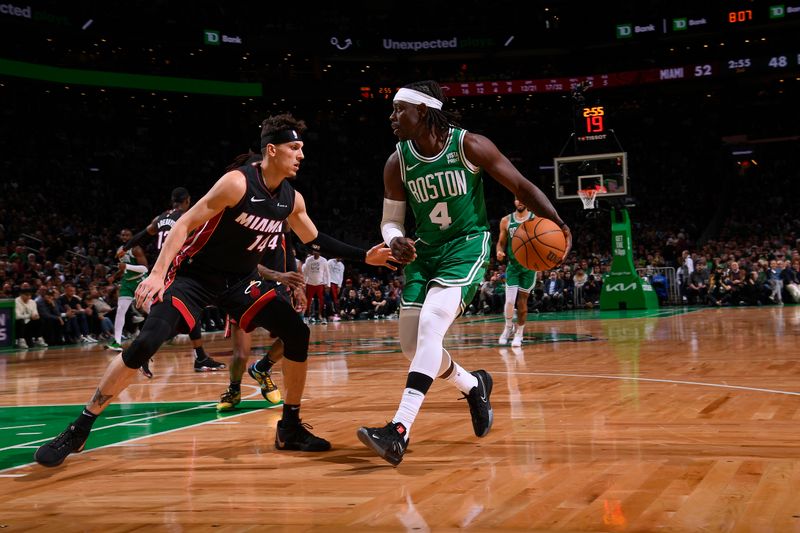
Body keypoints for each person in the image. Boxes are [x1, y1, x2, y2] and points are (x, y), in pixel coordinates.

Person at [34, 113, 396, 467]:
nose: (301, 155)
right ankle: (80, 427)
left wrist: (365, 255)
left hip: (240, 281)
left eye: (302, 148)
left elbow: (315, 240)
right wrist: (158, 274)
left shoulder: (292, 199)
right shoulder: (236, 183)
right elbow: (184, 224)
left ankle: (289, 428)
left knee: (296, 332)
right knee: (146, 342)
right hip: (195, 277)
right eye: (295, 147)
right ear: (272, 150)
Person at [357, 80, 571, 466]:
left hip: (466, 246)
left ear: (423, 111)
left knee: (430, 327)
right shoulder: (397, 161)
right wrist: (394, 240)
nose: (391, 117)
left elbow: (520, 183)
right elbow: (390, 221)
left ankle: (398, 430)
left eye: (398, 110)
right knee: (412, 345)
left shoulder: (469, 145)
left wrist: (557, 220)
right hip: (424, 254)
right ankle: (473, 385)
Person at [119, 187, 226, 375]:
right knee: (174, 317)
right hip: (178, 266)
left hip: (162, 266)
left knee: (190, 310)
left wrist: (124, 247)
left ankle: (199, 356)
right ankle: (143, 349)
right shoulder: (188, 216)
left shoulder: (160, 218)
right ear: (187, 201)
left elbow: (143, 235)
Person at [496, 198, 538, 347]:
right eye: (517, 198)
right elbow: (501, 242)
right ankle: (508, 327)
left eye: (523, 198)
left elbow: (543, 240)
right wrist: (499, 251)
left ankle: (519, 333)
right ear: (514, 201)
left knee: (522, 302)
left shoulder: (535, 219)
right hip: (513, 265)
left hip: (529, 266)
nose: (520, 201)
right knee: (509, 301)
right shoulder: (506, 220)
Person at [107, 228, 149, 351]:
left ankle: (165, 331)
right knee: (120, 310)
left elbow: (145, 268)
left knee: (148, 308)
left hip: (139, 281)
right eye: (123, 234)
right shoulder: (120, 250)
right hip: (126, 282)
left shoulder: (136, 249)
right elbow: (123, 268)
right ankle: (117, 341)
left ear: (132, 236)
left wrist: (127, 266)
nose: (124, 236)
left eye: (127, 235)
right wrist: (114, 276)